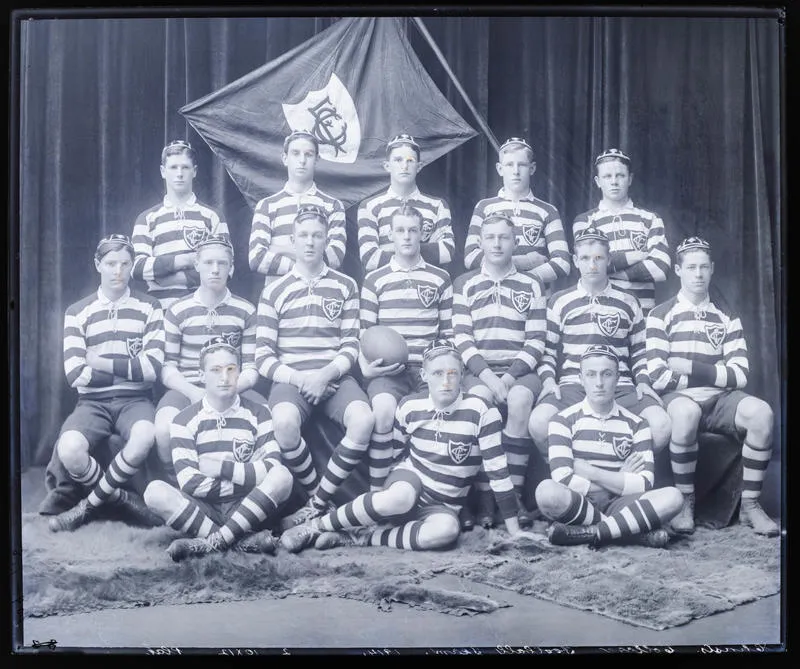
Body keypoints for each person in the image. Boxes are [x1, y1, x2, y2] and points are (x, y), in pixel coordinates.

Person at [279, 339, 543, 554]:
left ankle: (360, 538)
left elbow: (498, 473)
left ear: (463, 375)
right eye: (438, 374)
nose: (446, 382)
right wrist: (380, 500)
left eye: (453, 373)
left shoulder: (482, 411)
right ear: (424, 375)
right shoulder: (410, 406)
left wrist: (515, 531)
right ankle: (315, 526)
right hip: (411, 483)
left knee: (447, 532)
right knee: (400, 496)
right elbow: (392, 456)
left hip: (444, 503)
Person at [646, 237, 779, 536]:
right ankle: (685, 502)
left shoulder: (726, 316)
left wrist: (689, 366)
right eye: (691, 267)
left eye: (704, 267)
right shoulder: (659, 316)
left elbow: (740, 375)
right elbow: (657, 375)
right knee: (685, 414)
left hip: (721, 400)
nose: (698, 274)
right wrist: (714, 373)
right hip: (679, 398)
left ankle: (750, 505)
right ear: (678, 270)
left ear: (713, 269)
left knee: (762, 414)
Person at [256, 203, 375, 528]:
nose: (310, 242)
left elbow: (351, 344)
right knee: (283, 423)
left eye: (317, 236)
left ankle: (318, 503)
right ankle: (313, 497)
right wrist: (301, 378)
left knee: (364, 420)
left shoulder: (346, 285)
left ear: (327, 241)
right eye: (303, 236)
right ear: (292, 241)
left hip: (334, 376)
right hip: (292, 379)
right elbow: (263, 357)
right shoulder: (274, 290)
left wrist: (325, 374)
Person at [48, 234, 165, 533]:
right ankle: (121, 499)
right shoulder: (77, 312)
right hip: (92, 402)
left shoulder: (149, 307)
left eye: (125, 264)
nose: (118, 271)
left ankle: (88, 507)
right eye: (111, 263)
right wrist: (129, 367)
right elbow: (76, 375)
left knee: (144, 436)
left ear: (132, 266)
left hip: (136, 401)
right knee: (71, 448)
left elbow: (151, 369)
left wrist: (99, 362)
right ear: (97, 264)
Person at [527, 227, 671, 460]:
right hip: (573, 384)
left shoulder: (628, 301)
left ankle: (622, 475)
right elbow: (547, 351)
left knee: (661, 425)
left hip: (620, 385)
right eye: (585, 258)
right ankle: (576, 475)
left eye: (598, 258)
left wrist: (643, 382)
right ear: (575, 261)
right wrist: (547, 380)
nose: (592, 265)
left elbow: (640, 351)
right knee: (539, 422)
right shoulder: (559, 301)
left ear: (609, 260)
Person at [144, 338, 294, 561]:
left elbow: (271, 466)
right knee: (154, 491)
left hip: (248, 505)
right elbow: (189, 482)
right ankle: (240, 542)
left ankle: (217, 542)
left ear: (239, 373)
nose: (224, 377)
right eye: (215, 370)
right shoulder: (183, 420)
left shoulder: (260, 413)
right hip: (204, 510)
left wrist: (222, 468)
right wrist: (247, 474)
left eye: (231, 369)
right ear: (202, 375)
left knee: (282, 476)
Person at [535, 345, 683, 548]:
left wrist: (591, 472)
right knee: (546, 492)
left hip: (621, 504)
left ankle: (591, 532)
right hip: (581, 502)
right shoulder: (562, 420)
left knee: (673, 497)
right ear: (581, 379)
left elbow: (644, 484)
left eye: (607, 374)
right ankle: (631, 534)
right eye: (591, 374)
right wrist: (619, 478)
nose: (599, 383)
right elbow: (562, 479)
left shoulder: (637, 424)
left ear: (618, 378)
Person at [453, 211, 546, 529]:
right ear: (480, 242)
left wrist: (507, 377)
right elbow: (463, 341)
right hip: (480, 371)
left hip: (520, 370)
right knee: (478, 403)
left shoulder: (531, 283)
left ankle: (513, 495)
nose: (497, 243)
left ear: (515, 242)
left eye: (504, 237)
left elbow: (536, 341)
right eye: (490, 237)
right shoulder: (465, 284)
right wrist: (490, 378)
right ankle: (484, 498)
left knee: (520, 400)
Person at [154, 233, 264, 485]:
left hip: (231, 387)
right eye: (208, 263)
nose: (215, 270)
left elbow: (251, 368)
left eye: (222, 263)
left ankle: (247, 487)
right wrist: (195, 393)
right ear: (196, 266)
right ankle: (177, 485)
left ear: (232, 268)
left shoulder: (245, 311)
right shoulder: (177, 310)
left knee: (269, 419)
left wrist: (230, 389)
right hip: (189, 387)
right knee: (162, 429)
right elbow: (167, 367)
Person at [359, 203, 454, 492]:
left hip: (427, 371)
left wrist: (436, 367)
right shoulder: (375, 280)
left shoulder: (440, 278)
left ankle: (435, 491)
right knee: (384, 411)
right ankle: (376, 494)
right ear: (390, 235)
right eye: (400, 230)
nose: (407, 236)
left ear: (423, 234)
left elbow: (447, 333)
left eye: (413, 230)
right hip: (390, 372)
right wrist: (367, 367)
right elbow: (365, 334)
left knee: (441, 415)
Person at [131, 139, 229, 312]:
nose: (179, 173)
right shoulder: (147, 218)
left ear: (194, 171)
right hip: (161, 311)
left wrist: (169, 278)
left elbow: (227, 268)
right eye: (173, 167)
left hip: (201, 310)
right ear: (163, 171)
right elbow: (137, 268)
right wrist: (186, 260)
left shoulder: (212, 216)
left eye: (185, 167)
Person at [463, 137, 570, 292]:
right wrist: (525, 261)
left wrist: (525, 280)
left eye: (522, 165)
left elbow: (563, 263)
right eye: (509, 165)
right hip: (492, 293)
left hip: (534, 295)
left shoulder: (548, 210)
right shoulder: (485, 207)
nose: (515, 171)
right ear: (500, 169)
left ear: (532, 168)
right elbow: (470, 257)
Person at [572, 148, 670, 315]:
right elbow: (588, 267)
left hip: (642, 312)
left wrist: (614, 270)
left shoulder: (650, 219)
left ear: (630, 179)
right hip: (601, 312)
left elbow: (660, 268)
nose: (614, 182)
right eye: (607, 176)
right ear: (597, 181)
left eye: (620, 176)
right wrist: (635, 256)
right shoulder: (585, 221)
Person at [248, 129, 347, 289]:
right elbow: (257, 259)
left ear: (316, 159)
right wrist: (307, 261)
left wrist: (279, 249)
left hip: (321, 292)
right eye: (295, 153)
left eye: (308, 154)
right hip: (278, 294)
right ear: (285, 158)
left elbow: (335, 256)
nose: (302, 160)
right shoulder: (267, 205)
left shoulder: (333, 205)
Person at [357, 134, 456, 273]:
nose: (404, 166)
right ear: (387, 166)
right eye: (398, 160)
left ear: (419, 166)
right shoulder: (370, 206)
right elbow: (370, 258)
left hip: (426, 283)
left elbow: (447, 252)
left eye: (410, 160)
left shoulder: (438, 205)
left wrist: (387, 248)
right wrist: (428, 246)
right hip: (387, 287)